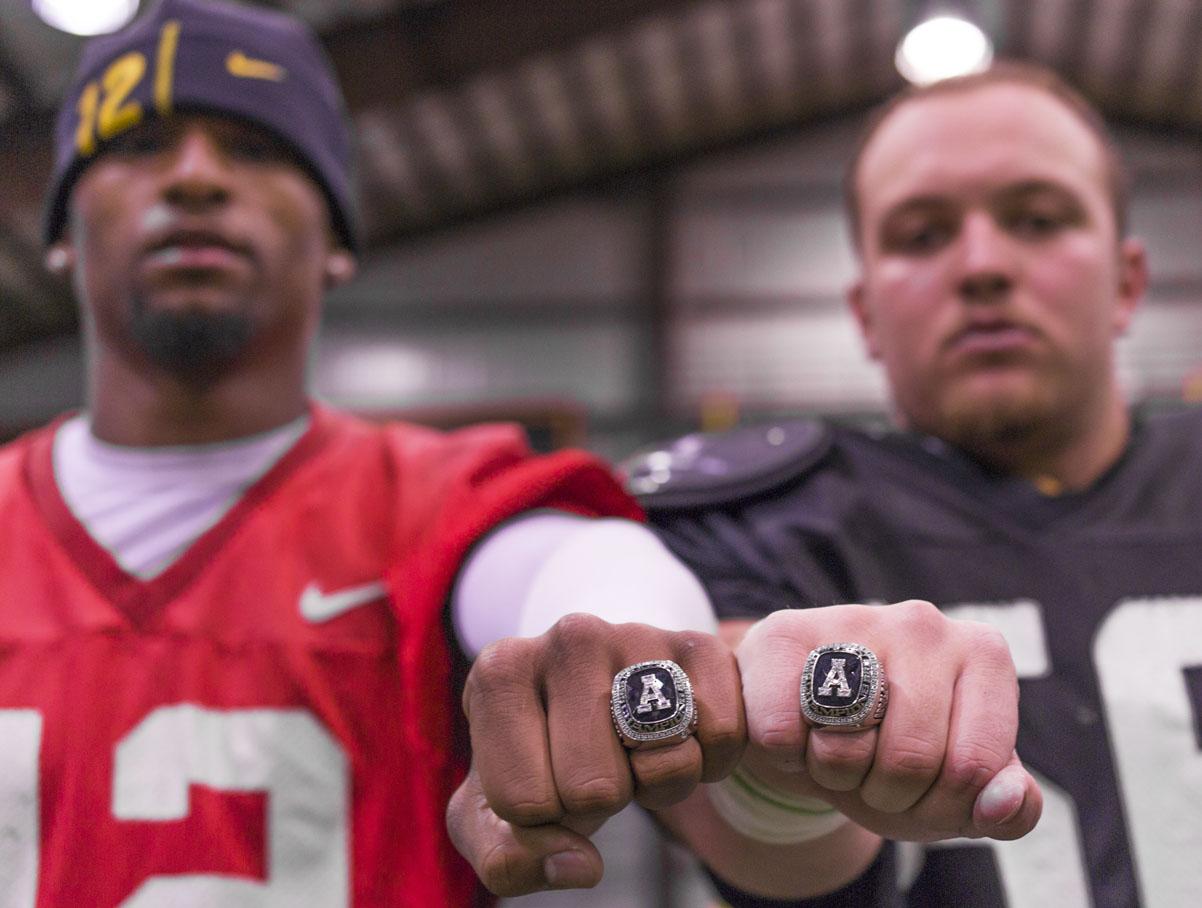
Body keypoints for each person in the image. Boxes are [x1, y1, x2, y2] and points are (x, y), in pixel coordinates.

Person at [1, 1, 745, 904]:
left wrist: (615, 641)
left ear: (338, 241)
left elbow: (581, 570)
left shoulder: (436, 500)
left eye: (256, 149)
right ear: (58, 234)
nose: (195, 178)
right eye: (138, 144)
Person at [629, 61, 1202, 907]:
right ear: (864, 315)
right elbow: (760, 838)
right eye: (922, 236)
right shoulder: (768, 528)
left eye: (1039, 220)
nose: (981, 266)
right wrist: (771, 753)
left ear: (1126, 285)